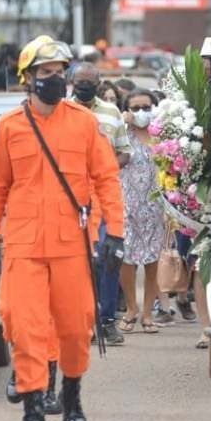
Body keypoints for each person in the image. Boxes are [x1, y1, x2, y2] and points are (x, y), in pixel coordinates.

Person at [0, 35, 124, 421]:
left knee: (76, 328)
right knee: (24, 328)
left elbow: (106, 179)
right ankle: (32, 415)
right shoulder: (9, 129)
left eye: (60, 72)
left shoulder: (82, 122)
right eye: (47, 73)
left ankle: (72, 398)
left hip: (71, 244)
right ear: (28, 79)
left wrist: (115, 232)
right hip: (23, 245)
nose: (56, 80)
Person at [69, 62, 132, 346]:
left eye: (89, 82)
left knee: (108, 257)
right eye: (79, 81)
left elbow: (125, 153)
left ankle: (107, 320)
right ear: (71, 82)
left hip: (103, 198)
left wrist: (103, 169)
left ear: (98, 83)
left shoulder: (111, 113)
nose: (83, 86)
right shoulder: (60, 112)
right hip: (69, 199)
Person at [116, 89, 170, 334]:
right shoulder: (122, 133)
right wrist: (121, 125)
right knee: (126, 258)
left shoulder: (163, 134)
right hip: (125, 204)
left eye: (146, 107)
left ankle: (148, 313)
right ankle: (131, 308)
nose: (141, 112)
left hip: (154, 206)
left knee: (151, 260)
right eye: (135, 107)